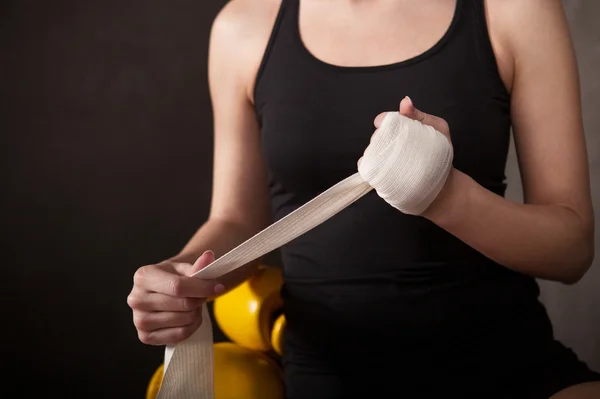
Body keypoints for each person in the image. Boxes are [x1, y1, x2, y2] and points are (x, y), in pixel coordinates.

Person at [127, 0, 600, 397]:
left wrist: (446, 197)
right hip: (328, 378)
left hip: (507, 369)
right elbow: (236, 219)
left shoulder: (515, 9)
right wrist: (180, 278)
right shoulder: (243, 27)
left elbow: (572, 247)